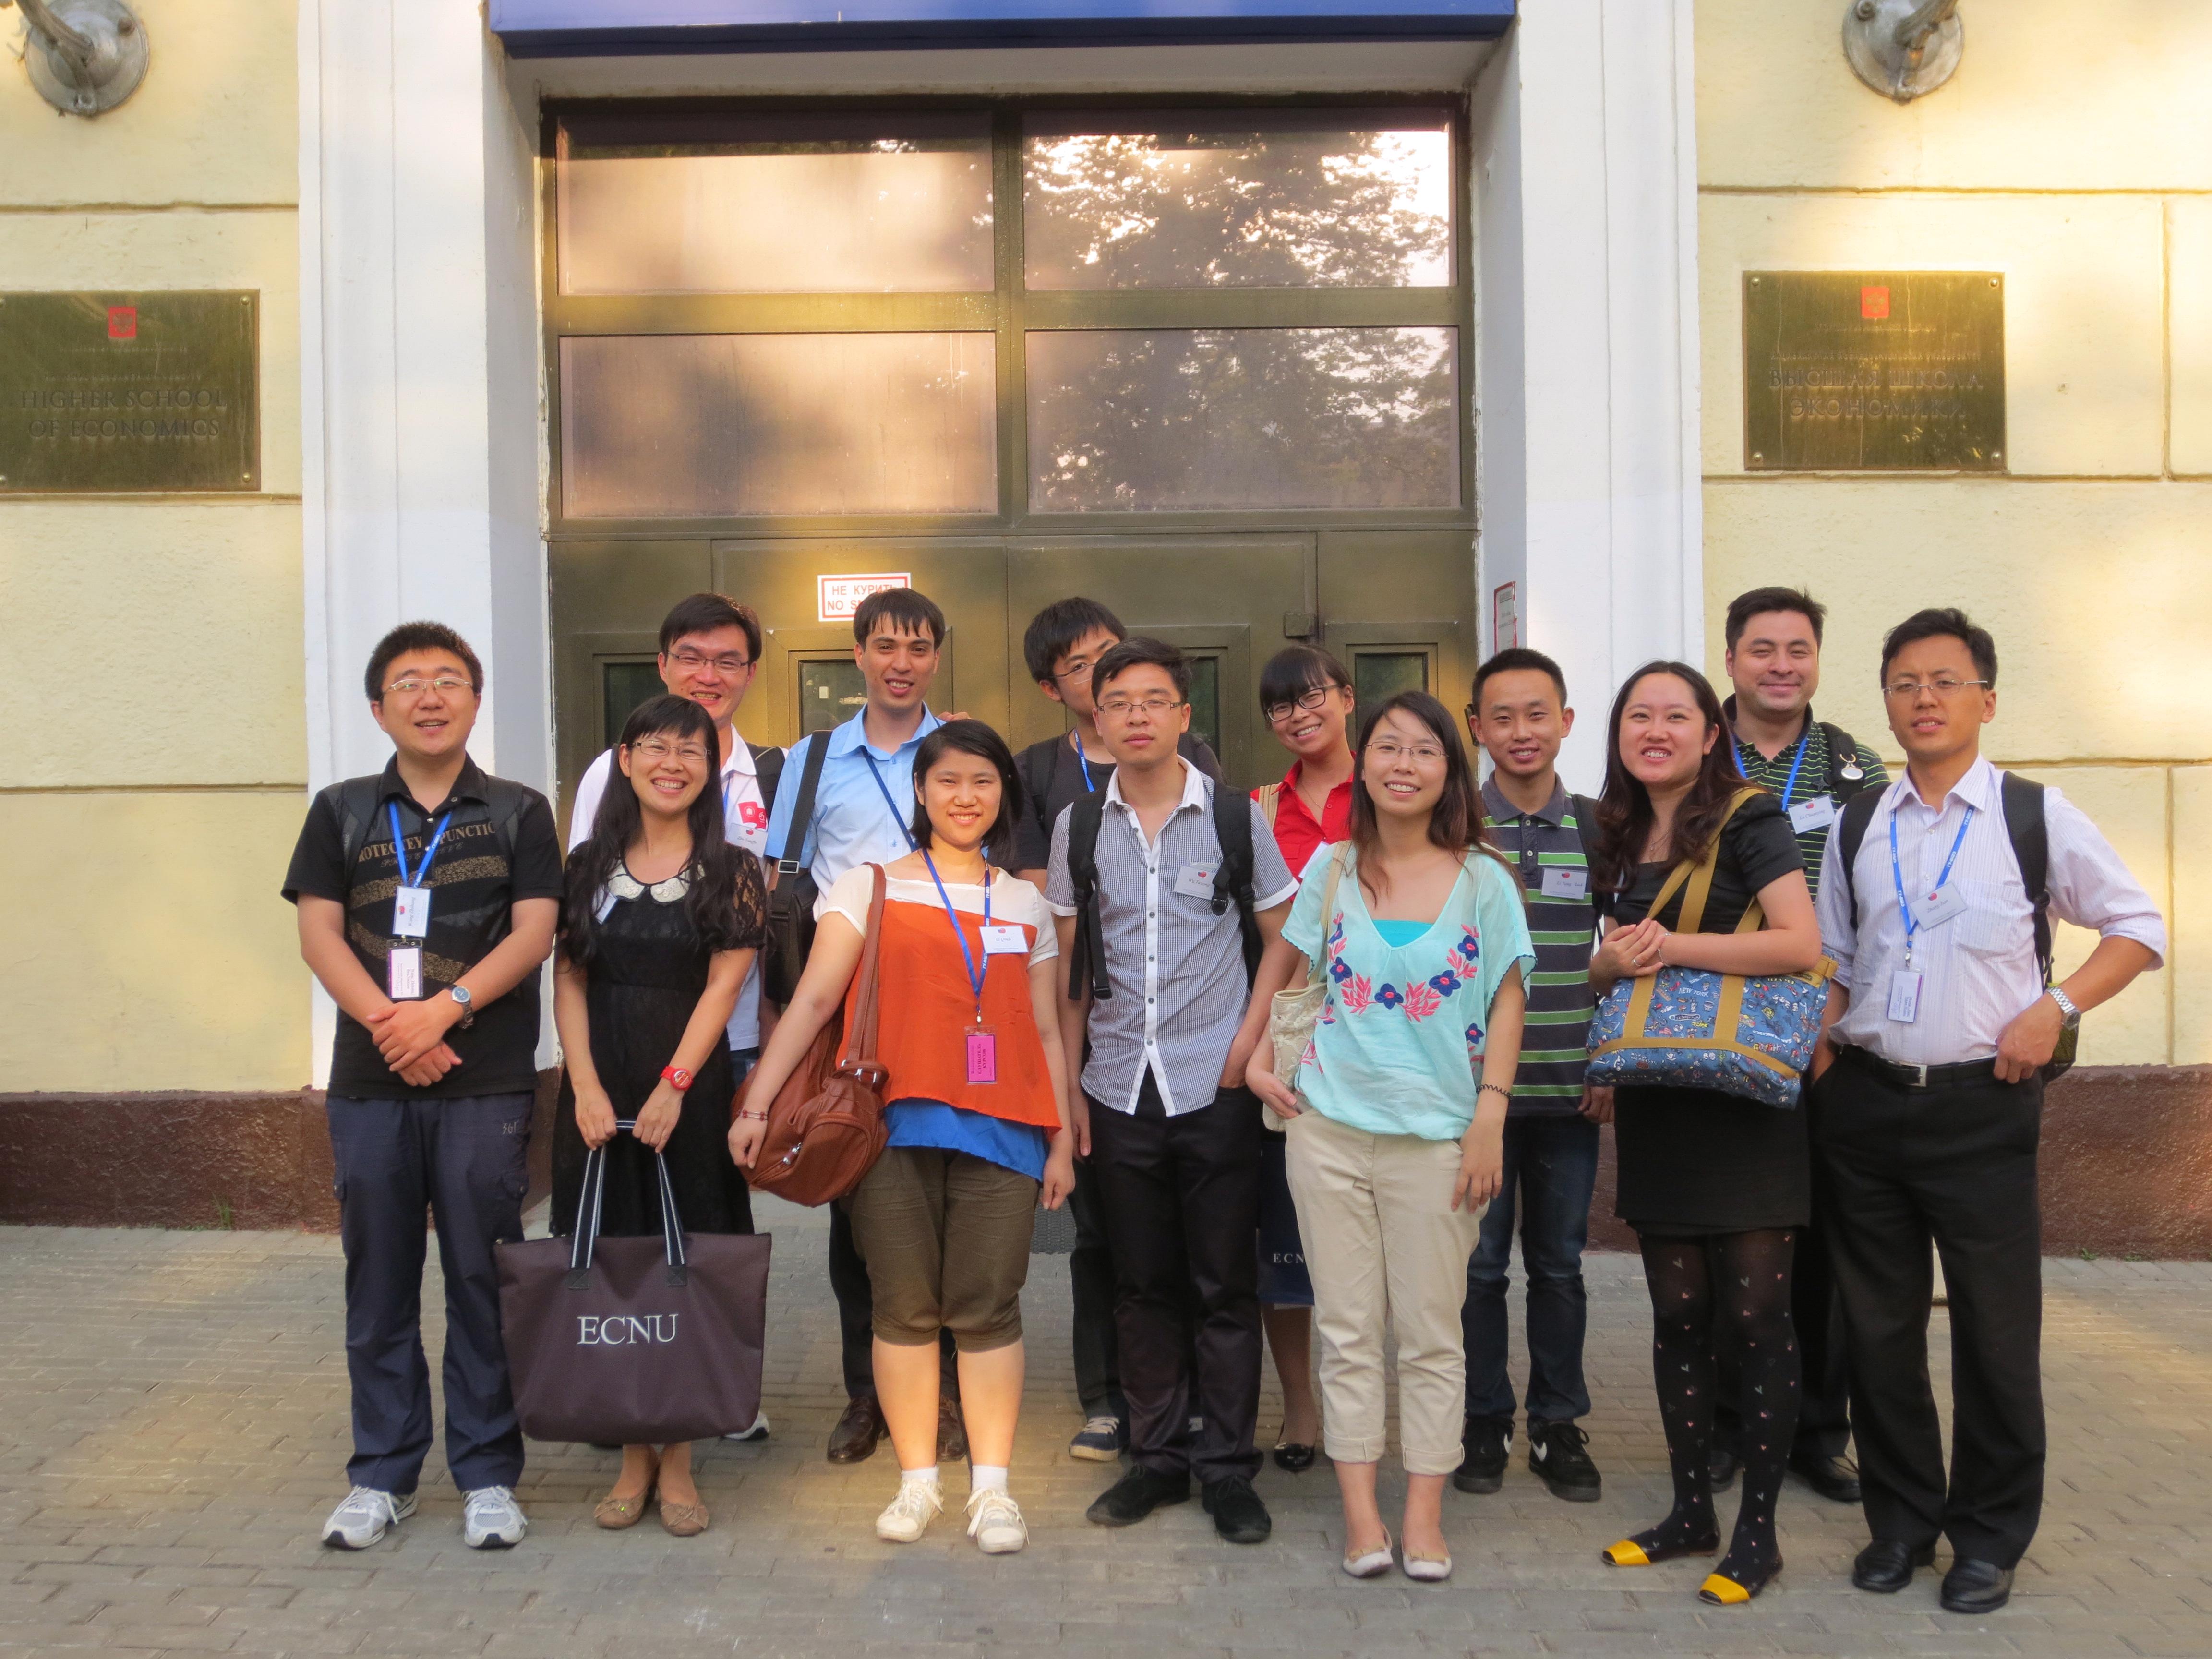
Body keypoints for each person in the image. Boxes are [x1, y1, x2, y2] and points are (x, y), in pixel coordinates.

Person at [1811, 608, 2164, 1614]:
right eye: (1905, 683)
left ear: (1987, 701)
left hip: (1985, 1108)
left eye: (1945, 681)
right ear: (1886, 703)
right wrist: (1825, 1066)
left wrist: (2056, 1009)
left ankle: (1990, 1537)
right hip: (1867, 1106)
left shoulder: (2032, 814)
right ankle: (1901, 1524)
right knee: (1878, 1333)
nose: (1924, 699)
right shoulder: (1859, 823)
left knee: (1995, 1336)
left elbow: (2137, 927)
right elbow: (1837, 959)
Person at [734, 721, 1078, 1553]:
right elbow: (815, 1001)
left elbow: (1046, 1029)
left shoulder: (1025, 903)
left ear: (1004, 796)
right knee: (903, 1309)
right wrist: (757, 1103)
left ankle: (992, 1490)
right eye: (949, 781)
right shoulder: (869, 887)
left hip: (1005, 1132)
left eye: (984, 782)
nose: (966, 797)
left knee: (989, 1309)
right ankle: (918, 1481)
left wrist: (1063, 1139)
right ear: (921, 792)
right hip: (888, 1130)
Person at [282, 622, 563, 1552]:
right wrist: (391, 1026)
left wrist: (440, 1013)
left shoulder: (520, 811)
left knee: (484, 1277)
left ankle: (487, 1475)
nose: (430, 697)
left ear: (476, 701)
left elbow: (533, 934)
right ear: (379, 709)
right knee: (379, 1281)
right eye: (408, 683)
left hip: (483, 1081)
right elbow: (320, 934)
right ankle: (382, 1474)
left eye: (449, 680)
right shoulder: (341, 811)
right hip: (372, 1083)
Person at [1246, 690, 1534, 1583]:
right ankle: (1363, 1515)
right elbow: (1292, 972)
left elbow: (1509, 1000)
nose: (1403, 764)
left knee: (1431, 1335)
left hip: (1441, 1141)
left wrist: (1490, 1116)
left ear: (1451, 769)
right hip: (1327, 1132)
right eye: (1387, 747)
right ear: (1363, 762)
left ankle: (1424, 1516)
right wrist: (1256, 1057)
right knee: (1346, 1330)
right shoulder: (1333, 869)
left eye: (1424, 750)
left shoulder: (1484, 879)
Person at [1048, 637, 1297, 1545]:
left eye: (1156, 700)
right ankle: (1156, 1459)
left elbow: (1284, 939)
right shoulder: (1078, 827)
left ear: (1184, 717)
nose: (1138, 716)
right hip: (1117, 1086)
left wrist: (1248, 1044)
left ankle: (1226, 1468)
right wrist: (1070, 1092)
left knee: (1224, 1286)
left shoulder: (1234, 818)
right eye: (1120, 702)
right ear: (1098, 718)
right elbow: (1071, 974)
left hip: (1214, 1083)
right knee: (1140, 1284)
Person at [1587, 661, 1823, 1607]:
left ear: (1709, 732)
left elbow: (1799, 943)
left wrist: (1668, 947)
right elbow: (1609, 964)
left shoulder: (1751, 819)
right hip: (1662, 1100)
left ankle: (1757, 1534)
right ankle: (1691, 1513)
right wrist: (1610, 965)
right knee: (1679, 1316)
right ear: (1619, 734)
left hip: (1746, 1104)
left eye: (1676, 715)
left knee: (1757, 1319)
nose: (1656, 730)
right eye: (1638, 716)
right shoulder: (1614, 831)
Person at [1009, 597, 1221, 1462]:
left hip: (1191, 1039)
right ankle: (1108, 1396)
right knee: (1098, 1236)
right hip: (1096, 1039)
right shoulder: (1039, 772)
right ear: (1067, 693)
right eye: (1085, 669)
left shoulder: (1195, 767)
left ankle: (1196, 1401)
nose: (1117, 688)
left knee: (1192, 1237)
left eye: (1115, 656)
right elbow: (1044, 902)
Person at [551, 695, 768, 1537]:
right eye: (656, 747)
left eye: (692, 751)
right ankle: (631, 1453)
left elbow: (723, 988)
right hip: (598, 1090)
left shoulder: (733, 870)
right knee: (614, 1259)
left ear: (711, 770)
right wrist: (584, 1085)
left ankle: (677, 1458)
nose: (672, 764)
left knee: (689, 1264)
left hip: (689, 1094)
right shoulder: (585, 866)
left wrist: (675, 1084)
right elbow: (569, 979)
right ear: (626, 758)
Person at [760, 586, 965, 1466]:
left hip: (947, 1000)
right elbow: (780, 886)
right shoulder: (810, 762)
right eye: (886, 646)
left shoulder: (959, 753)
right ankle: (863, 1394)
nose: (901, 663)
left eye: (918, 648)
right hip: (849, 1007)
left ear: (936, 657)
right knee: (853, 1192)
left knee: (944, 1196)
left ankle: (945, 1394)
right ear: (859, 655)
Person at [1717, 586, 1888, 1504]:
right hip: (1712, 1031)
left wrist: (1838, 1017)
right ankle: (1722, 1425)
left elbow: (1882, 906)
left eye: (1798, 650)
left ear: (1817, 660)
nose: (1781, 666)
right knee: (1723, 1233)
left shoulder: (1857, 771)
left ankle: (1820, 1433)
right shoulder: (1695, 756)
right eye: (1762, 649)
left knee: (1823, 1241)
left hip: (1825, 1038)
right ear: (1731, 660)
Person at [1457, 647, 1608, 1503]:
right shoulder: (1454, 828)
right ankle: (1484, 1419)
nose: (1522, 731)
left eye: (1537, 713)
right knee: (1477, 1269)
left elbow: (1625, 958)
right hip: (1472, 1099)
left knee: (1559, 1267)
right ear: (1477, 728)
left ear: (1566, 722)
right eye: (1503, 716)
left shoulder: (1599, 828)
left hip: (1567, 1090)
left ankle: (1558, 1423)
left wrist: (1608, 1061)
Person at [1246, 644, 1357, 1472]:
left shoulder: (1392, 791)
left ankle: (1364, 1406)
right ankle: (1300, 1406)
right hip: (1288, 1040)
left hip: (1382, 1032)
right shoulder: (1256, 809)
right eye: (1282, 706)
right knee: (1283, 1240)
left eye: (1313, 696)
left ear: (1347, 698)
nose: (1299, 715)